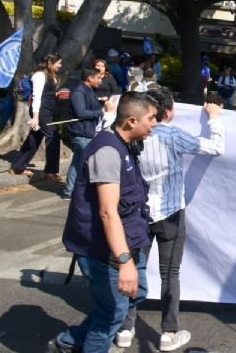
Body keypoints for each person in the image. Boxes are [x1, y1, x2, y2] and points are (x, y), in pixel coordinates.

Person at [116, 87, 225, 351]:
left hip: (138, 213)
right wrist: (215, 118)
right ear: (168, 111)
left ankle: (125, 328)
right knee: (170, 274)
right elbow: (216, 147)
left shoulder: (130, 135)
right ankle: (168, 332)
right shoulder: (172, 135)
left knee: (135, 269)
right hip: (171, 213)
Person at [52, 92, 160, 353]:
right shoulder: (108, 152)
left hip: (128, 239)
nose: (156, 123)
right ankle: (85, 343)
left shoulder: (125, 143)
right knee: (112, 312)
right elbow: (108, 213)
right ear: (132, 121)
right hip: (102, 249)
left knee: (137, 292)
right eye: (152, 118)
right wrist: (124, 262)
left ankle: (70, 340)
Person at [10, 53, 64, 181]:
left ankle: (17, 166)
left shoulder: (52, 75)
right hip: (40, 111)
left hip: (47, 110)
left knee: (35, 137)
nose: (60, 66)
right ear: (50, 62)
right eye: (59, 63)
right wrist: (35, 117)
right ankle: (50, 171)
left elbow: (47, 93)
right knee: (53, 136)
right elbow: (37, 97)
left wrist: (56, 95)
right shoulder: (40, 75)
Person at [62, 68, 106, 200]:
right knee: (92, 159)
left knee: (77, 162)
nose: (100, 80)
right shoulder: (78, 93)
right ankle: (86, 190)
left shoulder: (90, 91)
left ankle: (69, 191)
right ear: (89, 78)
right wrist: (99, 113)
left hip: (88, 131)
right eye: (98, 78)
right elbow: (81, 112)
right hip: (80, 133)